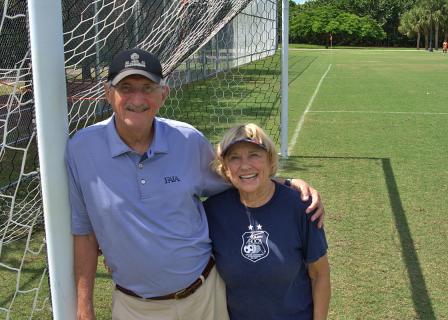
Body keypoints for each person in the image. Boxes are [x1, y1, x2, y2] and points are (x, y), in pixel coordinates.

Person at [65, 48, 325, 320]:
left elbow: (233, 177)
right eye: (126, 88)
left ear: (163, 95)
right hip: (134, 306)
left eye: (148, 88)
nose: (137, 98)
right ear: (109, 93)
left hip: (204, 297)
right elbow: (84, 232)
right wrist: (84, 307)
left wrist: (288, 182)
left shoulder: (187, 140)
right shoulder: (81, 150)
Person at [204, 123, 331, 320]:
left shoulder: (301, 207)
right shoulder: (213, 211)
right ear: (225, 168)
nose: (245, 165)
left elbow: (319, 275)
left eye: (254, 154)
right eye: (234, 157)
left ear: (270, 160)